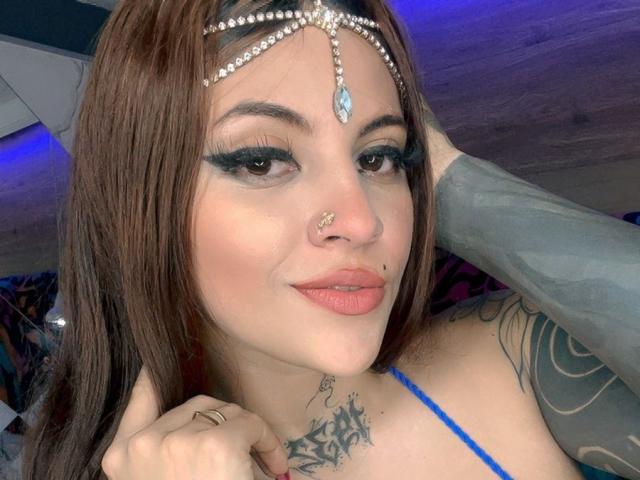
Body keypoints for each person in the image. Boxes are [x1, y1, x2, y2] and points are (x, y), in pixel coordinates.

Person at [21, 0, 640, 479]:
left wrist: (453, 183)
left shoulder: (512, 361)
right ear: (138, 202)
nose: (362, 221)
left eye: (379, 158)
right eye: (262, 161)